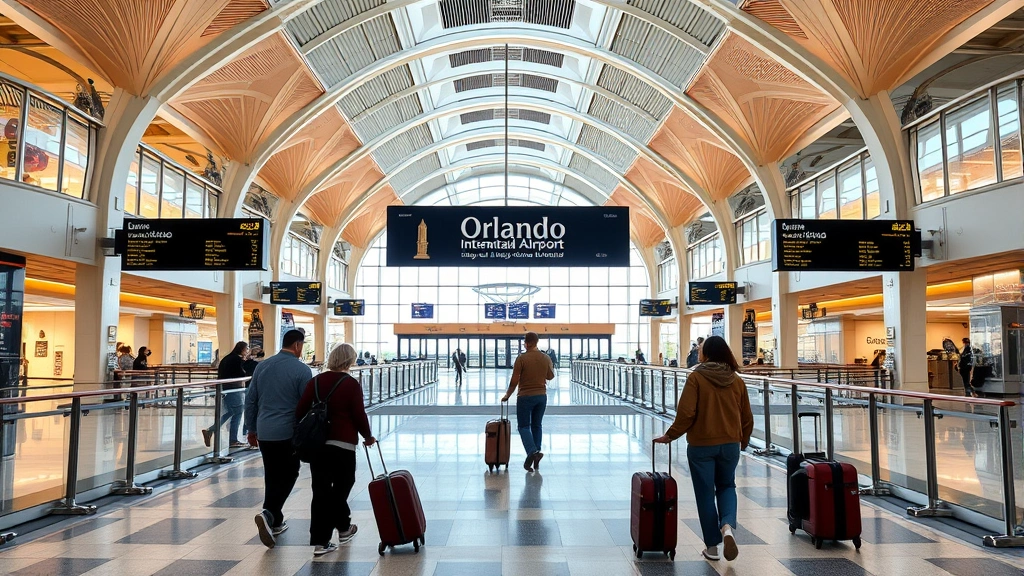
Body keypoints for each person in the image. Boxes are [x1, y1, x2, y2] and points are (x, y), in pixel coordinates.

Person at [654, 336, 753, 563]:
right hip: (730, 445)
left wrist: (671, 435)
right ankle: (727, 527)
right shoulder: (737, 380)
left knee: (705, 494)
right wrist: (743, 441)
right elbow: (747, 416)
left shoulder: (696, 378)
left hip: (701, 446)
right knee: (727, 486)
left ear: (706, 354)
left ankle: (712, 547)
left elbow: (687, 413)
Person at [295, 343, 376, 556]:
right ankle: (338, 529)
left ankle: (331, 536)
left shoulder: (316, 381)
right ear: (349, 361)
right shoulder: (350, 384)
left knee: (321, 490)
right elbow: (359, 414)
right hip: (343, 443)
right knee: (342, 486)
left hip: (318, 444)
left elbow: (301, 409)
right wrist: (367, 436)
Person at [245, 329, 315, 548]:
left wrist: (251, 429)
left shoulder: (262, 366)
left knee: (272, 473)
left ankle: (276, 520)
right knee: (290, 472)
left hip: (265, 431)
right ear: (297, 345)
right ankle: (269, 513)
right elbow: (307, 406)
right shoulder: (302, 370)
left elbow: (251, 400)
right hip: (288, 432)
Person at [501, 332, 554, 472]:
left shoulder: (521, 358)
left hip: (525, 396)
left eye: (525, 342)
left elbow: (514, 380)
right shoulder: (545, 357)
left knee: (524, 426)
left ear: (528, 343)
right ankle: (536, 454)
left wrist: (507, 395)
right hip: (541, 396)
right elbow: (550, 376)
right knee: (537, 425)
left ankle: (532, 452)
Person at [203, 341, 249, 449]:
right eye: (246, 349)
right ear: (242, 349)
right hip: (233, 389)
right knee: (237, 412)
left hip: (225, 388)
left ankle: (211, 430)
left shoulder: (227, 358)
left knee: (232, 411)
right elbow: (241, 373)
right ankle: (232, 439)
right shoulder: (237, 360)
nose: (247, 352)